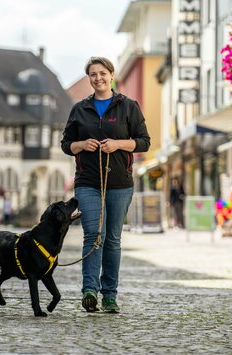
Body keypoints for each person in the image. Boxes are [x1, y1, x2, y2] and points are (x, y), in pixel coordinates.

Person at [61, 56, 151, 313]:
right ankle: (90, 290)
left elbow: (144, 142)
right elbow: (66, 144)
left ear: (111, 75)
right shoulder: (80, 109)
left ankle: (110, 295)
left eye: (102, 73)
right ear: (89, 78)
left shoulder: (128, 106)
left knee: (112, 239)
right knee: (93, 235)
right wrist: (81, 145)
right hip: (88, 181)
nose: (98, 78)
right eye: (93, 74)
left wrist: (118, 144)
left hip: (120, 183)